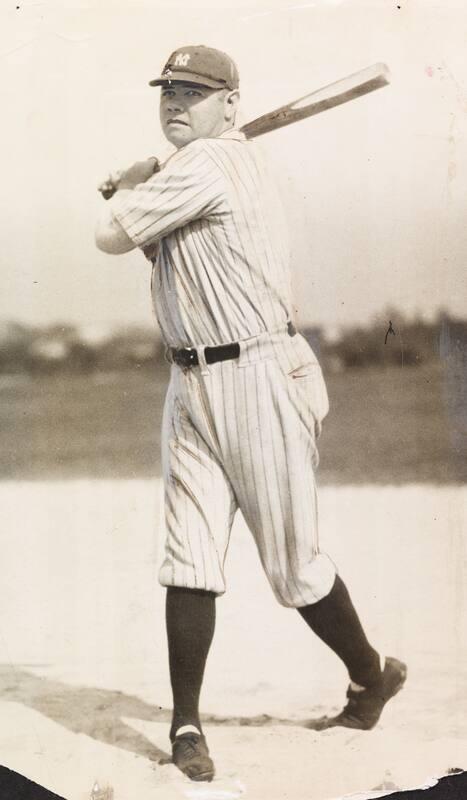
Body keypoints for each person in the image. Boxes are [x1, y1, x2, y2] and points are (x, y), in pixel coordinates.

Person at [95, 45, 407, 783]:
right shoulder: (199, 170)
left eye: (195, 93)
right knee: (189, 555)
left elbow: (111, 234)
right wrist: (145, 184)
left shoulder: (206, 167)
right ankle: (186, 724)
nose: (176, 101)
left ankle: (369, 675)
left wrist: (133, 184)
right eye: (168, 90)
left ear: (230, 106)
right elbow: (162, 256)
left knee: (293, 566)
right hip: (192, 380)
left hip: (260, 374)